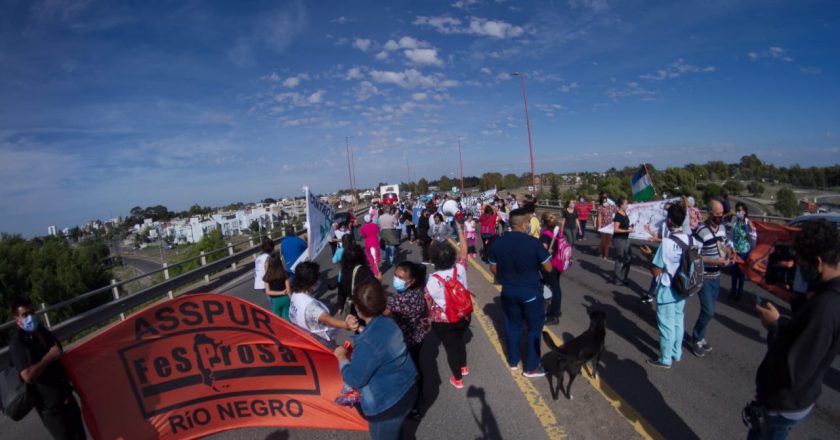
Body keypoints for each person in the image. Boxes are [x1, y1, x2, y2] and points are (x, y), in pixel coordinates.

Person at [746, 219, 840, 439]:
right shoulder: (826, 297)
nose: (800, 271)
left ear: (817, 262)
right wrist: (798, 301)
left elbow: (794, 369)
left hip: (784, 405)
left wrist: (775, 326)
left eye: (802, 266)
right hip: (799, 400)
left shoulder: (824, 308)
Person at [337, 282, 418, 440]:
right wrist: (359, 330)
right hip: (409, 388)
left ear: (359, 311)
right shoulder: (389, 322)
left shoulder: (367, 343)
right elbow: (378, 340)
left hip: (387, 405)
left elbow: (354, 378)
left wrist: (341, 357)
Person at [8, 296, 86, 440]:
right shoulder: (18, 343)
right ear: (17, 320)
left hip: (67, 399)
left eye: (31, 312)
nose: (30, 317)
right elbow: (28, 376)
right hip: (51, 409)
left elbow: (59, 353)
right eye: (25, 315)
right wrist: (49, 357)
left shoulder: (43, 332)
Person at [489, 208, 552, 378]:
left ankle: (513, 361)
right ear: (525, 225)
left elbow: (493, 267)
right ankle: (531, 367)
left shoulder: (498, 243)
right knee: (533, 328)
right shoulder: (533, 243)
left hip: (508, 291)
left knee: (512, 326)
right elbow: (548, 267)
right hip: (530, 291)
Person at [645, 204, 695, 369]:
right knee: (678, 321)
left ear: (669, 220)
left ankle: (665, 359)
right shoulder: (689, 239)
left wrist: (648, 257)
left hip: (667, 289)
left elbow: (656, 267)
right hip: (683, 288)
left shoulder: (666, 243)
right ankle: (676, 352)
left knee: (666, 325)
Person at [425, 222, 471, 389]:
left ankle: (457, 378)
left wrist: (427, 320)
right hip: (463, 315)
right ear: (453, 257)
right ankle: (464, 366)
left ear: (433, 260)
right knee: (460, 341)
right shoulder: (460, 269)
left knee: (450, 347)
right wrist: (459, 230)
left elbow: (428, 303)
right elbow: (464, 251)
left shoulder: (432, 279)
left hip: (443, 321)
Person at [689, 199, 734, 358]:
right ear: (710, 214)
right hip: (705, 276)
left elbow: (725, 244)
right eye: (717, 214)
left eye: (722, 214)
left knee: (710, 312)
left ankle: (700, 337)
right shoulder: (701, 231)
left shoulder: (722, 228)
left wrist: (729, 253)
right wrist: (715, 261)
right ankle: (696, 338)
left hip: (717, 276)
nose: (720, 217)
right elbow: (694, 255)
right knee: (708, 311)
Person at [388, 261, 430, 418]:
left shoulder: (401, 300)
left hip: (407, 341)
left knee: (409, 373)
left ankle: (414, 406)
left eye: (400, 277)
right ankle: (419, 397)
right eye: (395, 275)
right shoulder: (418, 290)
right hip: (418, 337)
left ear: (411, 281)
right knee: (416, 367)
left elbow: (381, 310)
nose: (396, 279)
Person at [288, 262, 351, 346]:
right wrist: (345, 324)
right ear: (310, 282)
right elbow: (325, 318)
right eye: (317, 276)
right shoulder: (309, 306)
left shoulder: (295, 295)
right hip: (321, 343)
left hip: (306, 339)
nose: (319, 280)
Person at [335, 243, 377, 316]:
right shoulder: (365, 271)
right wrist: (379, 280)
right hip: (365, 307)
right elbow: (375, 289)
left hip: (352, 308)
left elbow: (341, 291)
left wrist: (340, 306)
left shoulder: (344, 272)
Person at [728, 202, 757, 301]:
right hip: (735, 251)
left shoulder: (748, 222)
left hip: (744, 251)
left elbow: (753, 238)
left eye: (740, 210)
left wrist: (750, 229)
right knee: (734, 272)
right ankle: (733, 291)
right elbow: (731, 236)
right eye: (737, 210)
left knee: (741, 273)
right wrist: (731, 247)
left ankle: (739, 293)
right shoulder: (735, 222)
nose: (738, 212)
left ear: (744, 212)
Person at [540, 212, 564, 325]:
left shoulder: (546, 234)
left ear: (544, 222)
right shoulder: (557, 232)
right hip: (558, 262)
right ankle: (556, 310)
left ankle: (553, 315)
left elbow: (543, 251)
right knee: (556, 287)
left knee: (552, 289)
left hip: (550, 264)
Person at [264, 253, 291, 320]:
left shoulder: (267, 276)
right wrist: (291, 299)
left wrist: (280, 292)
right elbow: (288, 290)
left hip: (275, 300)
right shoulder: (285, 274)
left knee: (277, 320)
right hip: (286, 298)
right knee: (287, 319)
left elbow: (268, 292)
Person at [612, 198, 633, 285]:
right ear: (621, 205)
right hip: (619, 240)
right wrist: (627, 231)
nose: (627, 205)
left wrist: (630, 227)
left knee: (628, 259)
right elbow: (616, 229)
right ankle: (617, 279)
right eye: (626, 204)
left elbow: (625, 226)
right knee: (620, 259)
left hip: (626, 239)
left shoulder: (625, 213)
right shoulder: (618, 215)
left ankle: (623, 277)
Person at [360, 214, 382, 279]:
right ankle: (377, 272)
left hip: (368, 243)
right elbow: (378, 231)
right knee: (376, 258)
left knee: (370, 258)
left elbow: (363, 235)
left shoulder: (363, 227)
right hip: (375, 242)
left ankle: (374, 272)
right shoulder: (375, 225)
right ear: (371, 219)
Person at [254, 237, 274, 306]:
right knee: (273, 299)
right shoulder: (268, 257)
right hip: (266, 281)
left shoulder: (258, 258)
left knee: (269, 298)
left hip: (259, 282)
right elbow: (270, 271)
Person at [595, 195, 615, 260]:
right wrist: (599, 226)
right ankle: (601, 251)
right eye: (603, 199)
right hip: (603, 227)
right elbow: (599, 217)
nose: (605, 201)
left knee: (608, 242)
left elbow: (618, 210)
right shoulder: (600, 207)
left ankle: (606, 255)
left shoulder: (611, 207)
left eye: (606, 199)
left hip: (610, 227)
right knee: (603, 241)